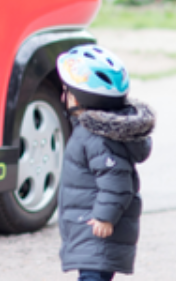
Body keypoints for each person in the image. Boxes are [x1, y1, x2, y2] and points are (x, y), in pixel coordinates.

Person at [56, 45, 154, 281]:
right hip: (88, 231)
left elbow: (117, 182)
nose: (62, 97)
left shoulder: (96, 138)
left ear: (80, 98)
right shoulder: (92, 133)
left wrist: (104, 217)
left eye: (66, 91)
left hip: (96, 231)